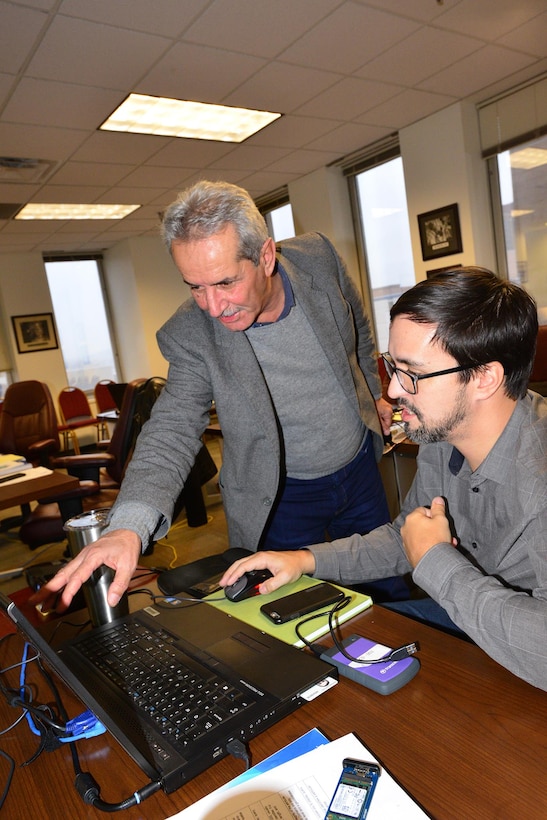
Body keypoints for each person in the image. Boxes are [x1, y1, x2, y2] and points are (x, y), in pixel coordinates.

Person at [37, 179, 405, 613]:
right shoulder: (192, 333)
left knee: (387, 597)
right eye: (195, 287)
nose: (212, 306)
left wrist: (374, 392)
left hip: (357, 466)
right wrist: (128, 528)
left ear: (266, 256)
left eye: (225, 283)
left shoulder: (318, 258)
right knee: (288, 618)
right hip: (279, 497)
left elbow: (356, 327)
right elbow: (171, 430)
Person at [219, 267, 547, 691]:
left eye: (411, 372)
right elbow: (408, 537)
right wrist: (304, 560)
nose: (392, 392)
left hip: (526, 657)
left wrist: (435, 563)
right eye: (392, 367)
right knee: (319, 660)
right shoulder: (441, 433)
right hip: (469, 619)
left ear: (485, 378)